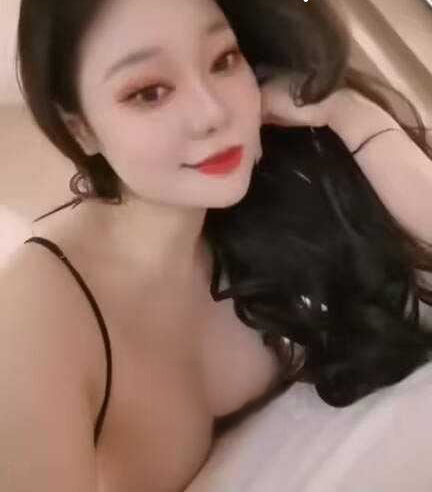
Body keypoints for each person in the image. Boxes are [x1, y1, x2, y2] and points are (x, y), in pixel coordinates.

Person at [1, 0, 432, 490]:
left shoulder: (257, 207)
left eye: (223, 59)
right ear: (80, 128)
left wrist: (350, 114)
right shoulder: (32, 315)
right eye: (148, 93)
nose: (212, 112)